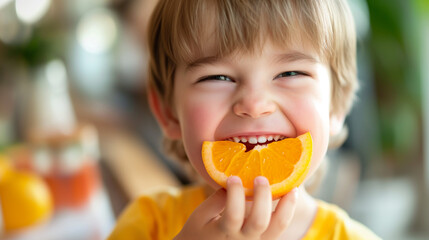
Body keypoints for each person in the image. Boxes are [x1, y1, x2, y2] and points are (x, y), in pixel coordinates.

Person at [108, 0, 381, 239]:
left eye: (290, 73)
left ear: (336, 105)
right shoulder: (148, 225)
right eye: (217, 77)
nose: (254, 104)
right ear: (168, 111)